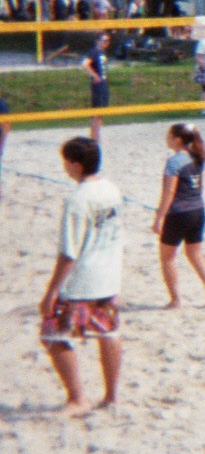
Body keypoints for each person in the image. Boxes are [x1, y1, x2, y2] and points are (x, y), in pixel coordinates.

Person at [39, 137, 124, 416]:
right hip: (109, 275)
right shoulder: (111, 189)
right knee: (108, 332)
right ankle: (111, 396)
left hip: (82, 279)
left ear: (75, 164)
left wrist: (52, 291)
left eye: (66, 161)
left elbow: (69, 252)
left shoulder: (78, 198)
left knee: (53, 335)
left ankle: (78, 398)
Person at [150, 123, 205, 308]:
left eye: (169, 136)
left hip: (178, 213)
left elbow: (169, 193)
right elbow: (200, 186)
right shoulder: (197, 157)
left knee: (167, 257)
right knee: (196, 255)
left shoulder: (174, 162)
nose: (166, 139)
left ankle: (176, 299)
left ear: (177, 139)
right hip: (197, 210)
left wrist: (158, 218)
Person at [82, 33, 110, 142]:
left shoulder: (102, 52)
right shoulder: (94, 52)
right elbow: (84, 64)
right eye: (104, 40)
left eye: (107, 41)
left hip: (103, 83)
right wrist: (94, 76)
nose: (106, 43)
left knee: (101, 110)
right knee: (97, 110)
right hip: (98, 85)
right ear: (98, 41)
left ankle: (96, 135)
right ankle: (94, 137)